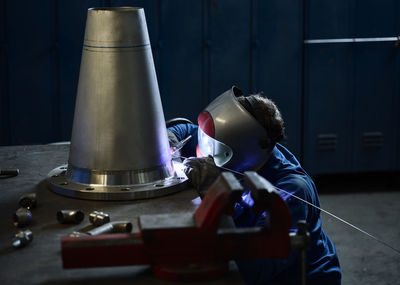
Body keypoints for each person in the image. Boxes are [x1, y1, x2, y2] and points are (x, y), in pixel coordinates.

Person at [168, 86, 341, 285]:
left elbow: (256, 270)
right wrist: (168, 138)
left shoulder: (290, 192)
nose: (205, 151)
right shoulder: (233, 145)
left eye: (214, 150)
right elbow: (187, 130)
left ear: (241, 151)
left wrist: (217, 194)